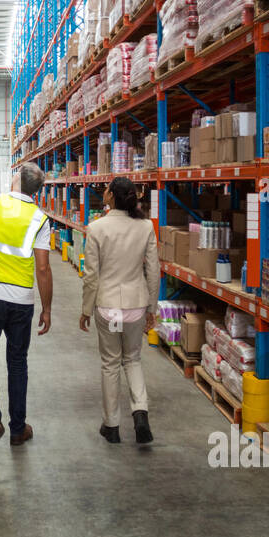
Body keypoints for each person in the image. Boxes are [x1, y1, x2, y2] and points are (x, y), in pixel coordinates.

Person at [0, 136, 52, 459]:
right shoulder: (40, 219)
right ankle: (18, 429)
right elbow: (43, 269)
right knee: (17, 362)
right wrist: (47, 308)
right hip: (22, 302)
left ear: (16, 181)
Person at [79, 177, 159, 445]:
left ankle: (112, 425)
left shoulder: (96, 228)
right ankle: (140, 414)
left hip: (109, 308)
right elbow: (153, 271)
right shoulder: (146, 226)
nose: (103, 192)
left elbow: (91, 275)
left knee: (111, 363)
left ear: (111, 196)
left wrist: (86, 310)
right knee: (133, 359)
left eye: (106, 190)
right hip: (135, 307)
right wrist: (152, 307)